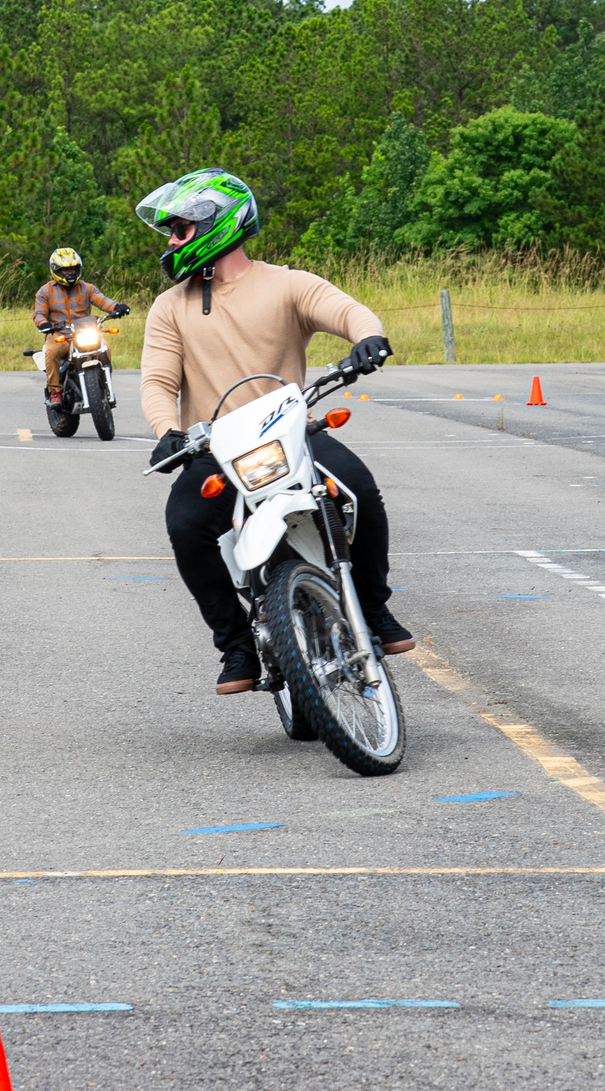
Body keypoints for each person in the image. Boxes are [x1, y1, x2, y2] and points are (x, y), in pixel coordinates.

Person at [136, 168, 413, 696]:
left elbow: (348, 310)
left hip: (292, 430)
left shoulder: (286, 284)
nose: (171, 241)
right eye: (170, 231)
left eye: (180, 229)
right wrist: (167, 430)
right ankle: (236, 643)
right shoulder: (169, 308)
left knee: (362, 490)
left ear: (218, 223)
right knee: (185, 525)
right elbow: (157, 380)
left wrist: (368, 338)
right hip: (216, 447)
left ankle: (374, 609)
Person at [34, 248, 129, 406]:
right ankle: (55, 392)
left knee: (105, 348)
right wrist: (44, 324)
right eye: (66, 270)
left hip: (85, 332)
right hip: (60, 335)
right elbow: (39, 313)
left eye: (73, 269)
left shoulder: (87, 288)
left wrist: (117, 307)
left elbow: (102, 300)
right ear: (56, 270)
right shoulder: (45, 291)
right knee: (51, 352)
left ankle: (104, 385)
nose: (70, 273)